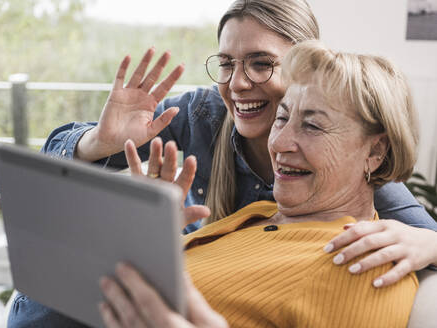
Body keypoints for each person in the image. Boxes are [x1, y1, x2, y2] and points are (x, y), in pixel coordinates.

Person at [8, 0, 437, 327]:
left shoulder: (360, 210)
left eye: (262, 64)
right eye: (227, 64)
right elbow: (57, 161)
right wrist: (100, 145)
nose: (237, 83)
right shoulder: (202, 115)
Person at [98, 40, 433, 327]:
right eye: (282, 118)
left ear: (375, 151)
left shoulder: (363, 266)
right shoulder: (262, 213)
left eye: (312, 126)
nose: (279, 143)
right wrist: (149, 240)